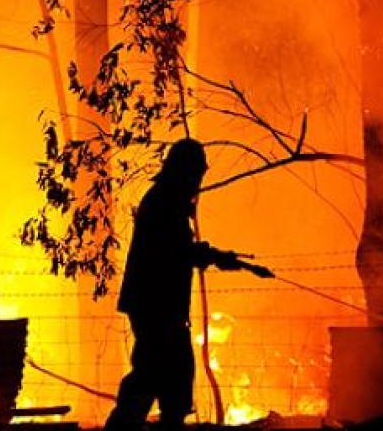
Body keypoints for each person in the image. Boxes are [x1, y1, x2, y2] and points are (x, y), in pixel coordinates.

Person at [103, 138, 273, 430]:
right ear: (183, 171)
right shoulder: (163, 204)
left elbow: (179, 250)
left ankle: (157, 422)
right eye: (196, 174)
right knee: (154, 375)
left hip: (159, 308)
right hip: (155, 308)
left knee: (167, 377)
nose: (197, 182)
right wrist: (217, 257)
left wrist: (216, 256)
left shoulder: (166, 201)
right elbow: (175, 252)